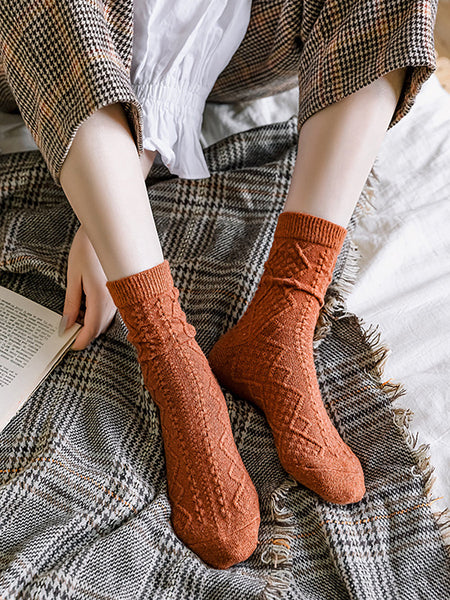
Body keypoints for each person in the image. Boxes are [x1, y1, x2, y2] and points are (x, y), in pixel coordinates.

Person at [0, 0, 437, 571]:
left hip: (238, 45)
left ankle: (285, 316)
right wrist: (113, 193)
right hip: (54, 44)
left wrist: (126, 171)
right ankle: (171, 357)